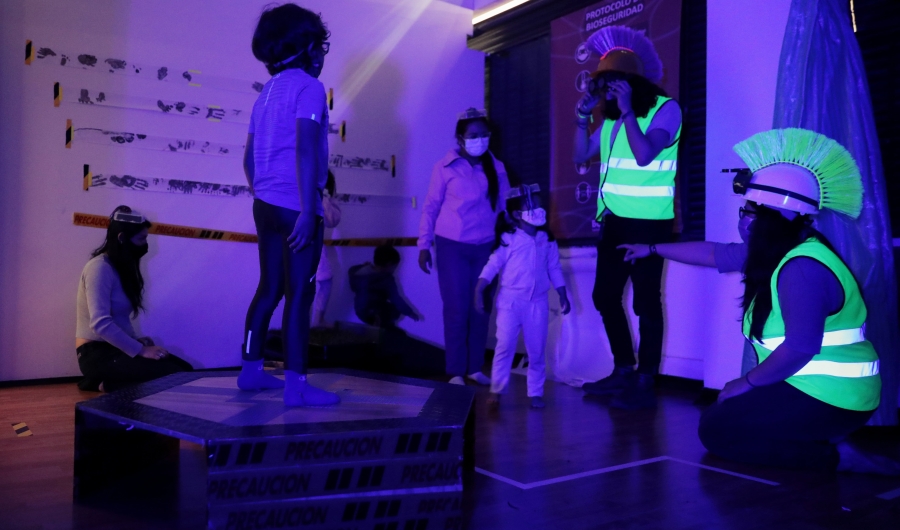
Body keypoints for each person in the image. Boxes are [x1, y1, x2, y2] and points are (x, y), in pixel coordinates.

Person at [621, 129, 893, 474]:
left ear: (772, 217)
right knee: (721, 417)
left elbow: (799, 349)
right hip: (805, 383)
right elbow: (714, 253)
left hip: (835, 394)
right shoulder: (779, 251)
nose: (743, 220)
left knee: (718, 432)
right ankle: (826, 439)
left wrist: (745, 383)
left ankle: (837, 457)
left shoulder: (802, 268)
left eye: (749, 211)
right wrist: (652, 249)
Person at [573, 25, 682, 409]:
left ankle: (645, 377)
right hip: (615, 222)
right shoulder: (611, 120)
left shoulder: (666, 110)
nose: (607, 92)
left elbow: (645, 154)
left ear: (634, 83)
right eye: (604, 85)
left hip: (650, 224)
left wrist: (630, 113)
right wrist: (582, 119)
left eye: (614, 84)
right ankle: (623, 368)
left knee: (647, 301)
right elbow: (579, 154)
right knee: (605, 295)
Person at [240, 3, 339, 407]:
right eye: (322, 46)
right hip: (296, 206)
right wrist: (305, 207)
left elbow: (247, 159)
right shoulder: (309, 87)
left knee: (269, 288)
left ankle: (250, 372)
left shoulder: (266, 94)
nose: (323, 55)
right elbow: (304, 148)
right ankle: (296, 386)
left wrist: (264, 193)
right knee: (301, 292)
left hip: (264, 205)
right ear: (309, 47)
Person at [418, 108, 511, 385]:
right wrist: (424, 244)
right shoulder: (445, 167)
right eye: (473, 135)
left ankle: (474, 368)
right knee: (457, 308)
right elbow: (431, 207)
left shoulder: (497, 167)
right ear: (460, 138)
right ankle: (456, 371)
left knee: (480, 307)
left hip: (486, 246)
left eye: (484, 135)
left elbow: (507, 207)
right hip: (452, 246)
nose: (479, 140)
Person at [75, 206, 192, 392]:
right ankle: (104, 382)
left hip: (116, 349)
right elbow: (99, 324)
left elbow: (119, 319)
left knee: (186, 371)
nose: (146, 245)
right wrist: (142, 351)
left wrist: (137, 340)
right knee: (174, 376)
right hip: (95, 354)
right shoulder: (99, 268)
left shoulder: (120, 267)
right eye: (141, 239)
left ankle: (104, 382)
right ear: (121, 238)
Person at [475, 185, 570, 409]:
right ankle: (497, 389)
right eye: (532, 205)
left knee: (536, 350)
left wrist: (562, 292)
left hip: (537, 303)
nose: (538, 209)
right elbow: (492, 266)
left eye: (539, 204)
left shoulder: (547, 239)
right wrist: (479, 290)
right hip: (510, 303)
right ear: (518, 215)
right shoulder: (509, 239)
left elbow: (554, 267)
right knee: (505, 346)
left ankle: (535, 392)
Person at [349, 245, 420, 328]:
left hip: (360, 309)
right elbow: (396, 298)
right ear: (389, 265)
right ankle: (377, 319)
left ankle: (375, 319)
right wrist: (409, 312)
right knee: (393, 311)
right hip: (377, 308)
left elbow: (353, 286)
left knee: (375, 308)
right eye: (394, 267)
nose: (394, 270)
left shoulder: (360, 273)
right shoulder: (387, 279)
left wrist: (363, 266)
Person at [312, 170, 340, 328]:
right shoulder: (318, 196)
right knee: (324, 280)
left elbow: (332, 220)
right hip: (308, 244)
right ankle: (316, 320)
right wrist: (325, 199)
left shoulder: (320, 196)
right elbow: (332, 220)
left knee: (324, 280)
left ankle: (317, 320)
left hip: (308, 244)